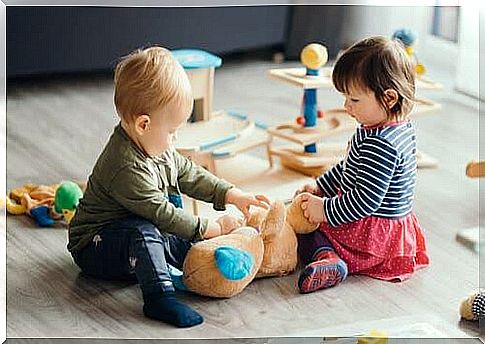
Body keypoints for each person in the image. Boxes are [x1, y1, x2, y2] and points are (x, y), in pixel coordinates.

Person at [67, 46, 270, 327]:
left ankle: (200, 266)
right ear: (143, 124)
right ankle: (159, 297)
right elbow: (162, 214)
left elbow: (189, 173)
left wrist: (231, 194)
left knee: (171, 224)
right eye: (172, 131)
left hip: (134, 226)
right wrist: (208, 228)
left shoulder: (155, 146)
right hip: (95, 246)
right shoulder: (125, 165)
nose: (175, 139)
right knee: (149, 230)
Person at [295, 36, 430, 294]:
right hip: (384, 228)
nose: (347, 107)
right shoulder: (389, 128)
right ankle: (330, 256)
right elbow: (350, 168)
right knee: (307, 214)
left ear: (389, 98)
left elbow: (365, 200)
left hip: (371, 233)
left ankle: (330, 259)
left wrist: (324, 209)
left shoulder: (382, 144)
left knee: (307, 229)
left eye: (354, 100)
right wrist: (320, 186)